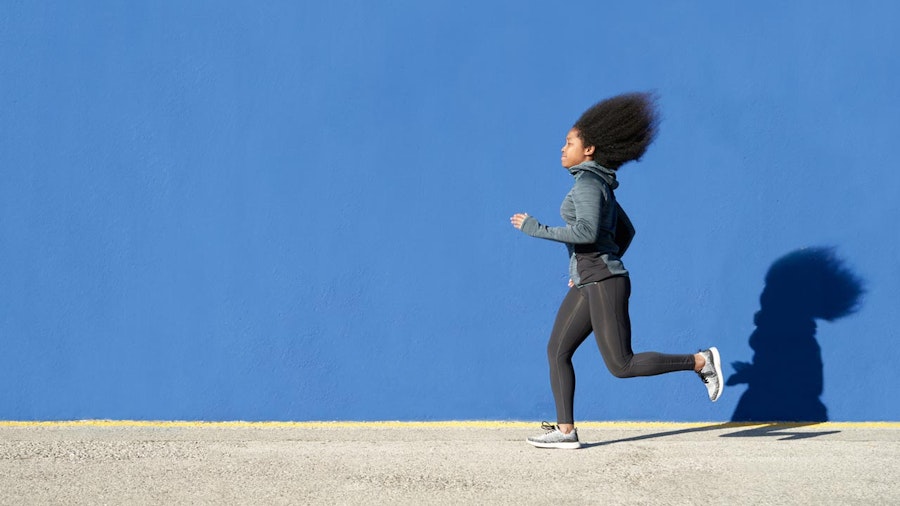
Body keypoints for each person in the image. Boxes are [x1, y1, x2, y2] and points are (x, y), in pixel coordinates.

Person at [509, 92, 723, 450]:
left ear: (589, 149)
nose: (562, 148)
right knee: (557, 350)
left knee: (621, 365)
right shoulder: (597, 185)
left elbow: (587, 233)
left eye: (569, 143)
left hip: (603, 283)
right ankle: (565, 431)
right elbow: (625, 232)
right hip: (592, 279)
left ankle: (700, 361)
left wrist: (537, 229)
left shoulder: (589, 186)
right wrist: (586, 264)